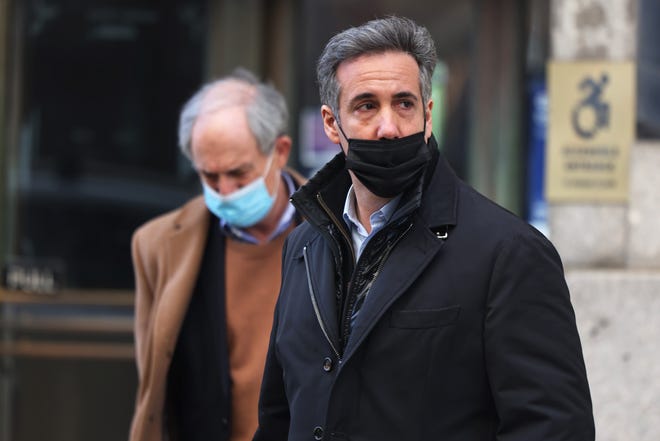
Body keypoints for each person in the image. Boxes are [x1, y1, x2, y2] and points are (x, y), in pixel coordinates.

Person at [253, 16, 595, 441]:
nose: (389, 127)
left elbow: (554, 428)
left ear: (428, 114)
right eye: (366, 106)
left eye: (403, 103)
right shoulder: (304, 246)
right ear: (330, 123)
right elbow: (279, 416)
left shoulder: (508, 252)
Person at [129, 68, 305, 441]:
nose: (225, 190)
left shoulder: (341, 228)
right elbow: (156, 388)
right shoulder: (157, 245)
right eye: (210, 176)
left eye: (239, 173)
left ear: (280, 151)